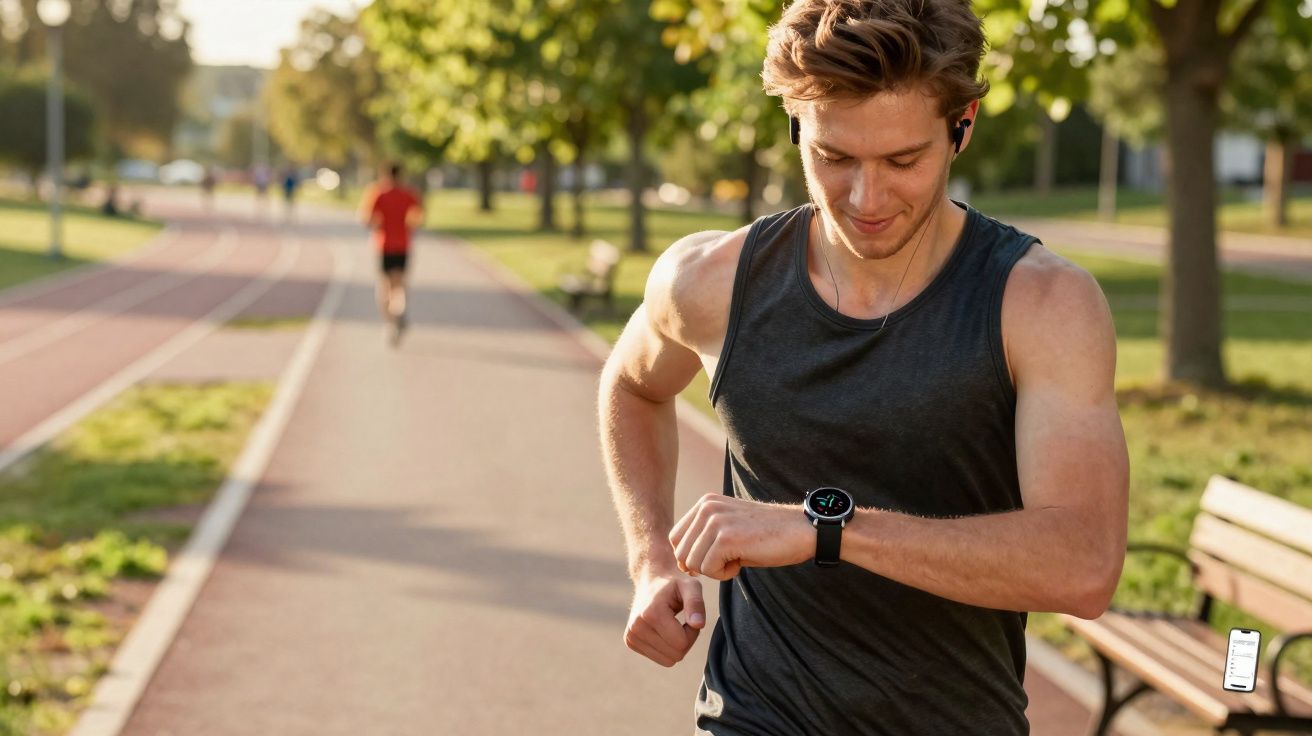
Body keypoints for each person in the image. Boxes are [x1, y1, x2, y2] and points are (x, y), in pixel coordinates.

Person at [596, 1, 1129, 734]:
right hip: (754, 717)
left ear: (962, 126)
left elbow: (1084, 565)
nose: (865, 198)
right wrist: (650, 557)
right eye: (834, 157)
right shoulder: (710, 280)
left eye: (903, 161)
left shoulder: (1041, 304)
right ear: (795, 127)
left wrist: (824, 529)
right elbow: (631, 385)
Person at [359, 162, 424, 346]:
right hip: (403, 244)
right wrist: (410, 226)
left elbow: (366, 219)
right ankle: (400, 312)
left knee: (384, 286)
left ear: (385, 174)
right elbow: (420, 215)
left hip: (384, 245)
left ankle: (390, 323)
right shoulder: (408, 193)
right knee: (400, 284)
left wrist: (376, 225)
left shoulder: (378, 192)